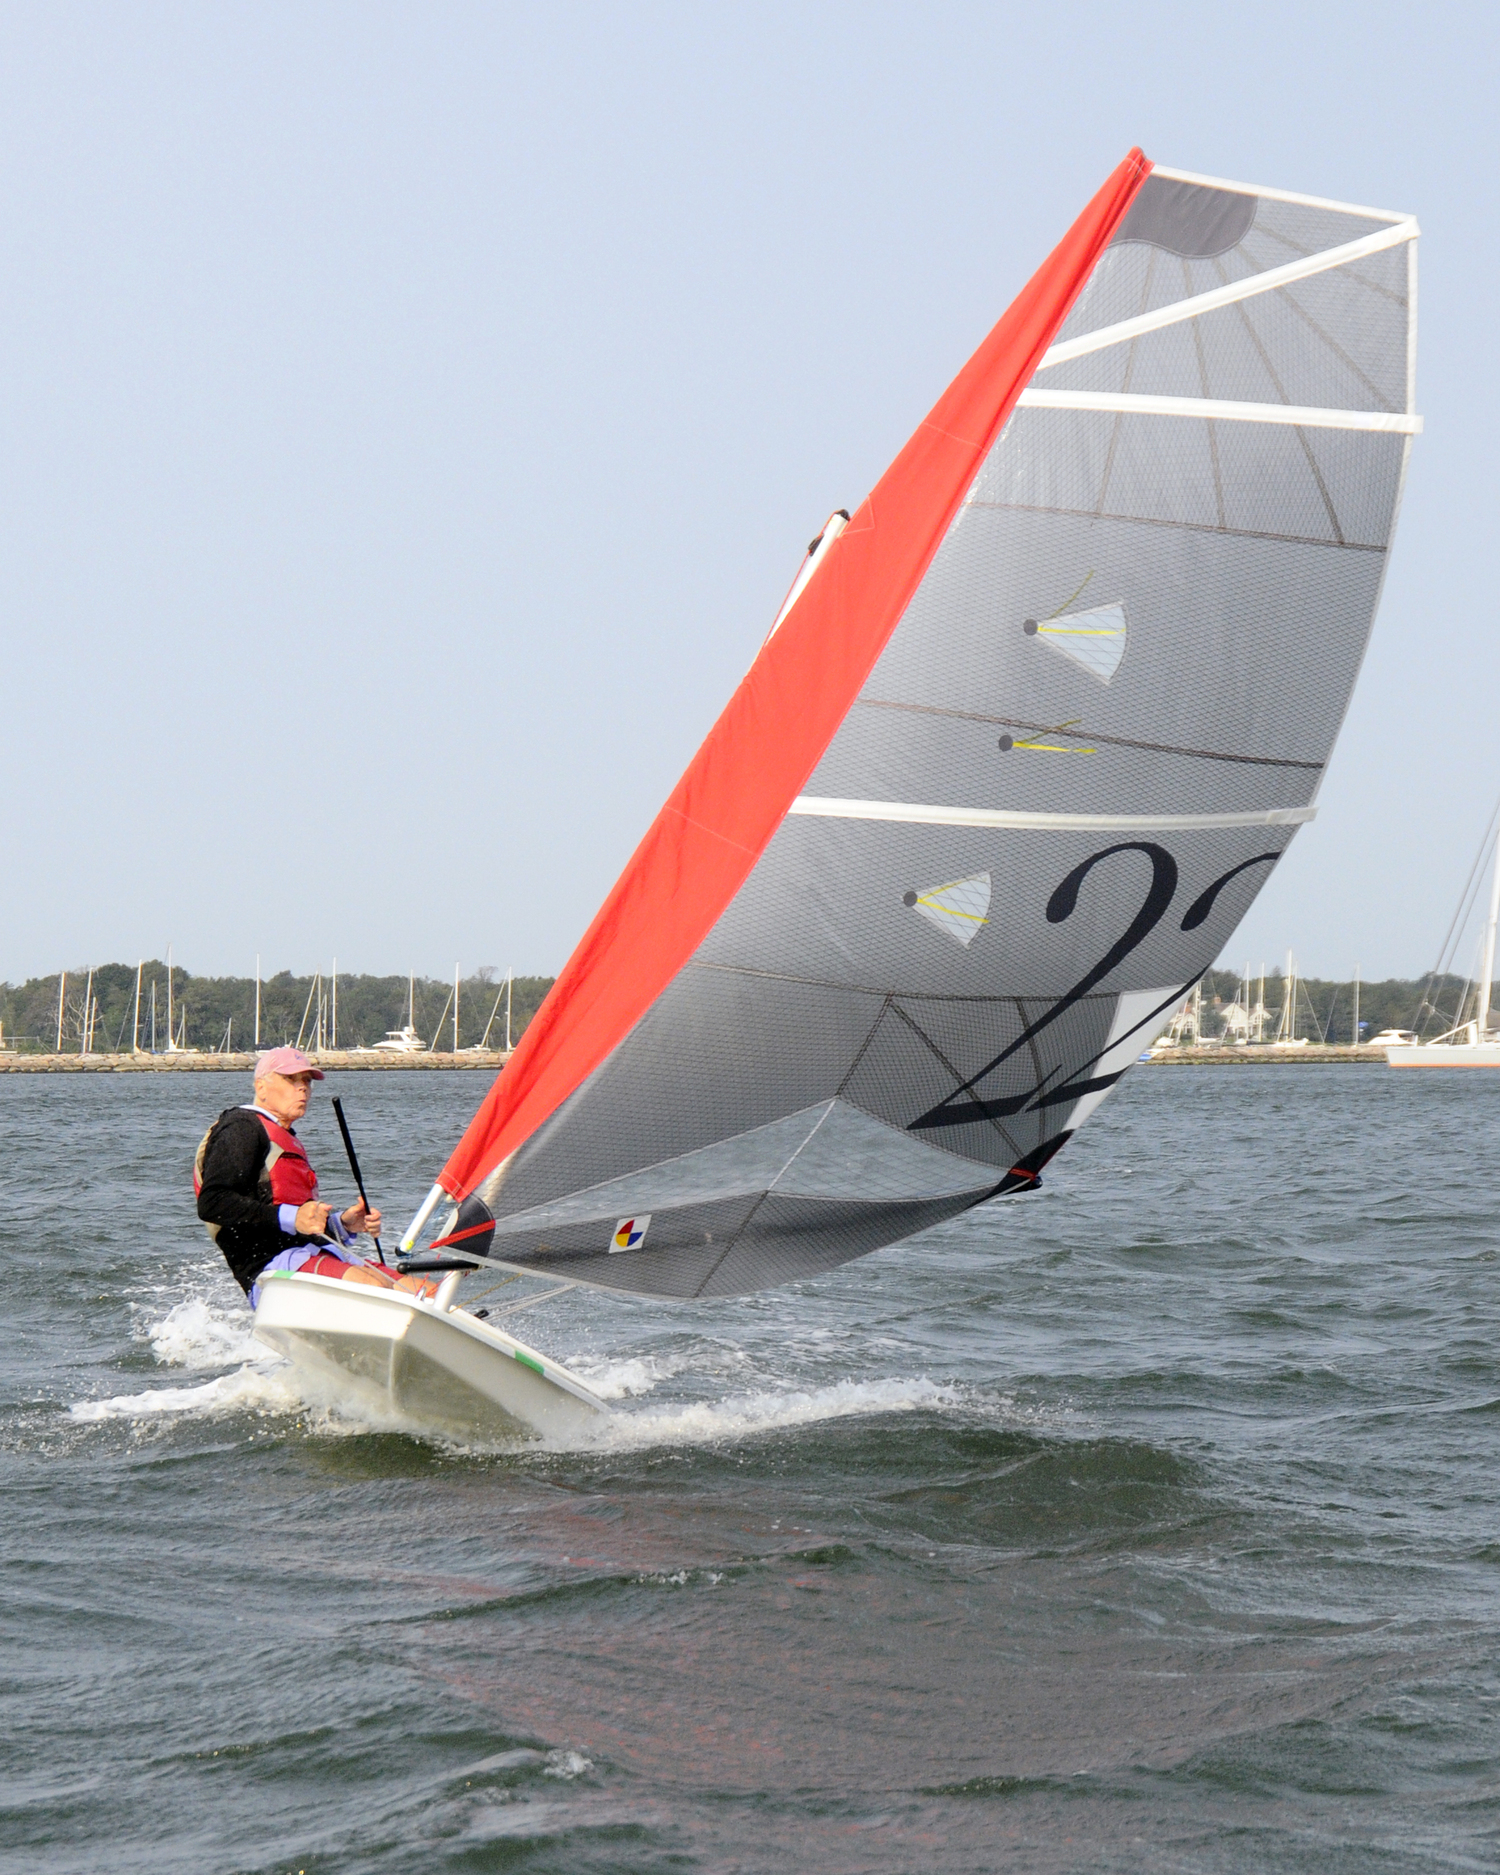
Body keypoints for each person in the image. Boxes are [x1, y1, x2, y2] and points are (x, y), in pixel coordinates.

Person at [194, 1046, 435, 1306]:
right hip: (270, 1270)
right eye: (291, 1079)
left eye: (307, 1081)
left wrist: (342, 1224)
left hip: (312, 1253)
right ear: (261, 1087)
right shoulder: (242, 1126)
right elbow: (213, 1202)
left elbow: (294, 1226)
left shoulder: (285, 1137)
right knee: (373, 1289)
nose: (303, 1089)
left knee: (433, 1294)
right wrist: (293, 1216)